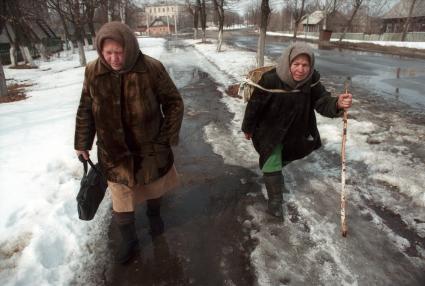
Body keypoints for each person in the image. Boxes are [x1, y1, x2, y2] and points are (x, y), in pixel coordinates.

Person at [74, 22, 184, 264]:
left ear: (130, 47)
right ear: (100, 50)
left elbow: (174, 103)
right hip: (114, 153)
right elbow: (86, 108)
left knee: (154, 188)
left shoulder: (151, 68)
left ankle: (155, 216)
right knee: (121, 200)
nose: (114, 58)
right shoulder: (93, 71)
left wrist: (165, 139)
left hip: (150, 151)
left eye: (119, 51)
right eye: (108, 52)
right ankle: (130, 242)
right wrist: (82, 142)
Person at [241, 42, 352, 220]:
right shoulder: (271, 79)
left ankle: (275, 179)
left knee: (284, 159)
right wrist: (248, 127)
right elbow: (254, 106)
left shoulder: (312, 81)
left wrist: (337, 104)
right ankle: (275, 203)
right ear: (288, 63)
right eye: (296, 64)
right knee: (271, 161)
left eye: (305, 65)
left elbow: (322, 101)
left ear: (311, 66)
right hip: (270, 131)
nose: (301, 69)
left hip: (297, 130)